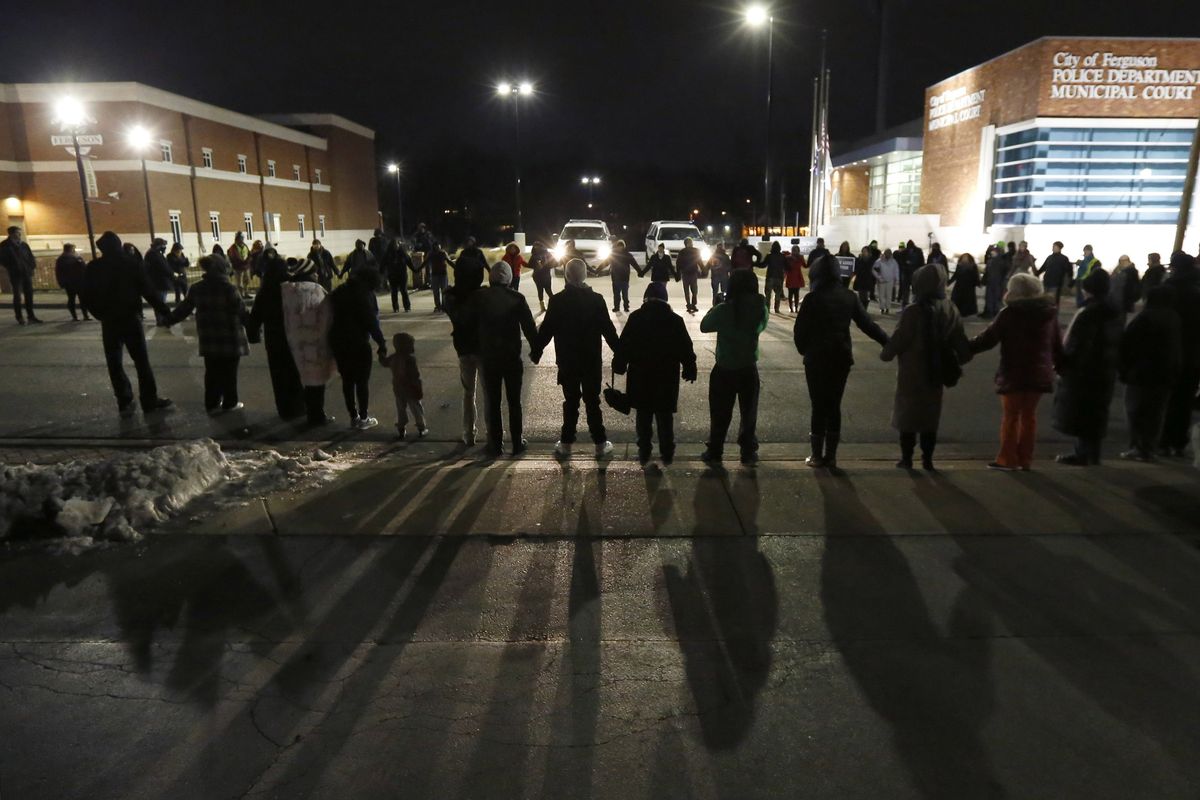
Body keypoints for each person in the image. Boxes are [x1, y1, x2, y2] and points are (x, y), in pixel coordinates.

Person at [794, 255, 889, 473]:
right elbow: (867, 324)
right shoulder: (849, 296)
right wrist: (887, 342)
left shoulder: (812, 298)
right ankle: (831, 456)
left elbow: (800, 331)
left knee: (818, 405)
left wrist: (804, 350)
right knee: (834, 405)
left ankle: (816, 455)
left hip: (816, 358)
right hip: (841, 356)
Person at [968, 273, 1063, 471]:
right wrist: (1062, 367)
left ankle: (1007, 459)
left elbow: (988, 339)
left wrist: (962, 348)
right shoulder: (1049, 313)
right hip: (1039, 372)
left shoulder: (1010, 313)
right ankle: (1025, 459)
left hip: (1014, 371)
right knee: (1029, 416)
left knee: (1011, 417)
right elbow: (1056, 344)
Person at [881, 264, 970, 470]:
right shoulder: (949, 308)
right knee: (930, 415)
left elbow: (900, 338)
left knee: (908, 415)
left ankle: (907, 458)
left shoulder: (913, 311)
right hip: (936, 371)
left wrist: (887, 353)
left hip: (912, 371)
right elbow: (960, 341)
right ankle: (927, 459)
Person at [531, 258, 620, 459]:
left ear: (567, 276)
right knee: (592, 401)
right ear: (585, 275)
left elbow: (546, 331)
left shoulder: (558, 301)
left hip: (567, 360)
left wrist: (536, 351)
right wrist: (621, 354)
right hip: (591, 360)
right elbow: (609, 331)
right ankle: (599, 443)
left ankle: (566, 443)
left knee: (571, 401)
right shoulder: (597, 300)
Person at [81, 231, 173, 416]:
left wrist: (98, 313)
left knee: (114, 362)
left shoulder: (94, 267)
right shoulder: (131, 264)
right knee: (141, 361)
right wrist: (165, 311)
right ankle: (149, 400)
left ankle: (124, 400)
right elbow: (147, 289)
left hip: (109, 320)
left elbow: (86, 294)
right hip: (130, 317)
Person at [614, 282, 697, 465]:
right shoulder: (675, 320)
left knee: (643, 416)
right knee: (665, 417)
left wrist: (619, 365)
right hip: (666, 377)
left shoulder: (636, 318)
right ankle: (667, 452)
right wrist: (690, 368)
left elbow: (624, 346)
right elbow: (685, 348)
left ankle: (644, 451)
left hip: (640, 377)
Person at [462, 261, 538, 456]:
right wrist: (536, 351)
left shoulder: (479, 297)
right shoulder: (517, 298)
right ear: (509, 278)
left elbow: (466, 324)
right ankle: (517, 442)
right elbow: (529, 327)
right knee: (514, 402)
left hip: (489, 357)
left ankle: (496, 444)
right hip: (512, 357)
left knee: (493, 402)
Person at [1053, 269, 1123, 465]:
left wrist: (1063, 364)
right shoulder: (1114, 311)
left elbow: (1078, 344)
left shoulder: (1089, 313)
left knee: (1083, 412)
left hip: (1085, 372)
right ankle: (1091, 453)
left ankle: (1083, 453)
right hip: (1105, 369)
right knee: (1096, 412)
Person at [164, 254, 250, 413]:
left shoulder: (197, 288)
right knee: (229, 373)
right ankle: (230, 403)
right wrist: (254, 327)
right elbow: (241, 312)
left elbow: (184, 309)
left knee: (212, 372)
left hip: (209, 337)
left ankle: (211, 403)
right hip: (229, 337)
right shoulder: (229, 288)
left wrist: (169, 319)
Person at [700, 269, 768, 466]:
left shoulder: (725, 309)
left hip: (725, 368)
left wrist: (718, 305)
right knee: (749, 413)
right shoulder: (759, 308)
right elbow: (761, 326)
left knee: (720, 413)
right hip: (748, 366)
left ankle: (715, 449)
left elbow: (705, 325)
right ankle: (748, 451)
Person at [1119, 286, 1181, 461]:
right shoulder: (1173, 317)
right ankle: (1149, 448)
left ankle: (1137, 447)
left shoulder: (1145, 317)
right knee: (1156, 414)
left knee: (1135, 411)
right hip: (1165, 373)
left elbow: (1128, 344)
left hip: (1141, 373)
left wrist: (1123, 369)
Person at [248, 247, 306, 420]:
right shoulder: (292, 287)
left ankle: (285, 410)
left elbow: (255, 315)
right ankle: (299, 407)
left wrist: (253, 334)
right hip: (294, 335)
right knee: (295, 373)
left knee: (278, 375)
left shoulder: (265, 290)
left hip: (274, 337)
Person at [328, 268, 387, 429]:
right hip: (357, 341)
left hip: (338, 340)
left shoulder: (339, 291)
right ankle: (364, 417)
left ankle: (353, 415)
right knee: (362, 381)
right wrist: (381, 342)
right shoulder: (363, 295)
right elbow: (371, 321)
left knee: (347, 381)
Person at [280, 258, 336, 425]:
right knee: (316, 383)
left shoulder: (286, 291)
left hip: (294, 343)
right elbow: (327, 316)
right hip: (316, 343)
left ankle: (306, 410)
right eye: (314, 272)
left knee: (302, 380)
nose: (317, 275)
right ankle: (317, 416)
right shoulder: (317, 291)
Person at [1159, 251, 1200, 457]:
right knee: (1184, 401)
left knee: (1162, 399)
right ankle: (1178, 442)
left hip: (1168, 352)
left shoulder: (1169, 290)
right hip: (1193, 354)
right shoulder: (1197, 291)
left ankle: (1162, 440)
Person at [446, 248, 487, 445]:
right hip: (483, 347)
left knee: (468, 393)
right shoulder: (481, 296)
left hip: (463, 348)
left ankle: (468, 433)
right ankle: (493, 434)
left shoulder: (451, 297)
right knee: (489, 393)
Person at [380, 332, 428, 440]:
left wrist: (381, 353)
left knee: (401, 409)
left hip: (398, 388)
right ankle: (421, 428)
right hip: (411, 388)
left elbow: (384, 362)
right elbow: (415, 375)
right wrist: (419, 388)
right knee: (416, 409)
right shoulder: (410, 359)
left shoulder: (394, 357)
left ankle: (401, 429)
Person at [0, 226, 40, 324]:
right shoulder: (4, 245)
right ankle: (19, 317)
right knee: (17, 296)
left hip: (26, 273)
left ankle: (31, 316)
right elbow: (2, 259)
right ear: (11, 234)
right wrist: (11, 267)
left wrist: (31, 267)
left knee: (29, 295)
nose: (19, 235)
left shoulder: (24, 245)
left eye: (19, 233)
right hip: (15, 274)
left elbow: (30, 257)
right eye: (18, 233)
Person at [143, 238, 174, 325]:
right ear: (159, 245)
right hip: (159, 282)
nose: (164, 247)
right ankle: (161, 320)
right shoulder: (154, 254)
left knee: (160, 301)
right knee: (160, 302)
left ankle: (161, 319)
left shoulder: (153, 253)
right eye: (163, 245)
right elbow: (163, 267)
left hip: (158, 282)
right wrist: (172, 274)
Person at [55, 243, 89, 321]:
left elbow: (58, 272)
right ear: (71, 249)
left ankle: (74, 317)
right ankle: (85, 315)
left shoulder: (61, 259)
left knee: (71, 299)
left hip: (68, 283)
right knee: (82, 299)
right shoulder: (76, 258)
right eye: (73, 248)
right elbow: (83, 268)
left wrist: (61, 282)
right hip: (78, 281)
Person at [604, 239, 638, 313]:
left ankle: (626, 307)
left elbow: (634, 264)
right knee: (616, 294)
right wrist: (597, 270)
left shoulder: (627, 255)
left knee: (625, 294)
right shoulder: (613, 255)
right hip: (615, 278)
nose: (620, 248)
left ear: (623, 247)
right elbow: (605, 263)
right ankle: (616, 307)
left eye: (621, 246)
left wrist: (640, 272)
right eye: (619, 246)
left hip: (624, 278)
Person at [384, 235, 415, 313]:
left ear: (399, 245)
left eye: (397, 244)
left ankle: (407, 307)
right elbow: (383, 264)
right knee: (394, 292)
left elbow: (409, 262)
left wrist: (415, 270)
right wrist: (381, 273)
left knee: (404, 291)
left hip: (402, 275)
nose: (395, 246)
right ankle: (395, 307)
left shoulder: (403, 253)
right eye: (394, 245)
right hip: (392, 275)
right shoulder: (388, 254)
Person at [1036, 241, 1072, 306]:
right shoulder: (1049, 257)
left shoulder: (1064, 258)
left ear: (1059, 248)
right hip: (1046, 282)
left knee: (1053, 302)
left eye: (1054, 246)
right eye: (1053, 246)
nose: (1052, 248)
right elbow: (1043, 267)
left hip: (1056, 284)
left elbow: (1069, 271)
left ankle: (1054, 315)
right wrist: (1036, 274)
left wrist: (1070, 281)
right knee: (1045, 301)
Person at [947, 253, 980, 318]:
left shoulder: (973, 266)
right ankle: (957, 312)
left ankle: (966, 312)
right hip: (960, 285)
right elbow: (956, 275)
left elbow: (975, 275)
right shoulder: (959, 265)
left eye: (966, 257)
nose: (964, 259)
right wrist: (949, 282)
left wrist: (977, 283)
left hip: (969, 286)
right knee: (957, 299)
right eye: (963, 257)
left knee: (967, 300)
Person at [1108, 255, 1141, 319]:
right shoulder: (1119, 271)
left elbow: (1133, 288)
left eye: (1122, 261)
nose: (1121, 263)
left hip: (1124, 301)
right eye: (1120, 261)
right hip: (1121, 301)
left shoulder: (1130, 272)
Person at [982, 245, 1009, 318]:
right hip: (992, 281)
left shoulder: (1000, 261)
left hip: (997, 282)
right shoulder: (991, 260)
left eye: (993, 251)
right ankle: (990, 311)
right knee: (990, 297)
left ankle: (994, 312)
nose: (992, 252)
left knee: (995, 298)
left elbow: (1004, 272)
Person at [529, 240, 557, 311]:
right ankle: (543, 307)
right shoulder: (534, 255)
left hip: (546, 275)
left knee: (548, 290)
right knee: (540, 290)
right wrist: (536, 265)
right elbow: (530, 264)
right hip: (537, 276)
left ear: (541, 246)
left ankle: (554, 304)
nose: (537, 248)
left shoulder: (547, 254)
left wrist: (545, 265)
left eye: (538, 246)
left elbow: (555, 263)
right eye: (535, 247)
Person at [762, 241, 788, 314]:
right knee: (778, 294)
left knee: (768, 294)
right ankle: (776, 309)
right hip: (779, 277)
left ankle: (767, 309)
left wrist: (755, 263)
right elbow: (787, 267)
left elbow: (763, 265)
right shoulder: (782, 256)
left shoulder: (769, 256)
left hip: (770, 276)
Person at [872, 248, 900, 315]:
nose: (888, 255)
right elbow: (874, 270)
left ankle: (887, 308)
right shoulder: (879, 261)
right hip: (881, 281)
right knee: (881, 295)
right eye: (886, 253)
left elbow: (896, 271)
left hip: (890, 281)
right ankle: (882, 308)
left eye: (889, 253)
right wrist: (879, 277)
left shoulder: (893, 262)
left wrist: (897, 279)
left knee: (888, 295)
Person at [899, 239, 925, 308]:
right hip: (907, 273)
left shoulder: (918, 251)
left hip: (914, 273)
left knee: (914, 290)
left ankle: (913, 305)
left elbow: (921, 262)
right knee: (906, 291)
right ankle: (906, 305)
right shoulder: (906, 252)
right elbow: (901, 262)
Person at [427, 246, 453, 312]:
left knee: (443, 291)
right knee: (436, 292)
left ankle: (443, 306)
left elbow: (449, 261)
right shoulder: (431, 254)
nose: (437, 249)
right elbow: (426, 262)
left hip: (442, 274)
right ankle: (438, 306)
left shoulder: (443, 253)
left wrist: (457, 268)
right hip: (435, 275)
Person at [411, 223, 436, 289]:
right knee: (422, 269)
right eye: (419, 228)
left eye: (421, 228)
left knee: (428, 269)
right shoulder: (417, 235)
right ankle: (422, 282)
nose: (420, 229)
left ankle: (429, 282)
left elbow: (431, 243)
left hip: (428, 253)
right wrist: (416, 246)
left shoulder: (428, 234)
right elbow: (414, 242)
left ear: (424, 228)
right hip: (421, 254)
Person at [227, 231, 251, 297]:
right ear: (237, 238)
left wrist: (247, 261)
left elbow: (249, 254)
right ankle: (240, 295)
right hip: (238, 268)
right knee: (239, 283)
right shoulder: (233, 247)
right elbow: (234, 257)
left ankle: (246, 293)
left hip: (246, 267)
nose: (242, 239)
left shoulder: (245, 245)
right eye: (241, 238)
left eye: (242, 238)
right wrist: (244, 262)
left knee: (246, 281)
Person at [785, 245, 807, 312]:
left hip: (797, 276)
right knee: (791, 293)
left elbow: (805, 265)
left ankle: (796, 307)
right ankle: (791, 307)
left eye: (796, 250)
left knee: (796, 293)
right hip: (791, 276)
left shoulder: (800, 257)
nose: (795, 251)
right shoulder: (788, 258)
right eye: (794, 250)